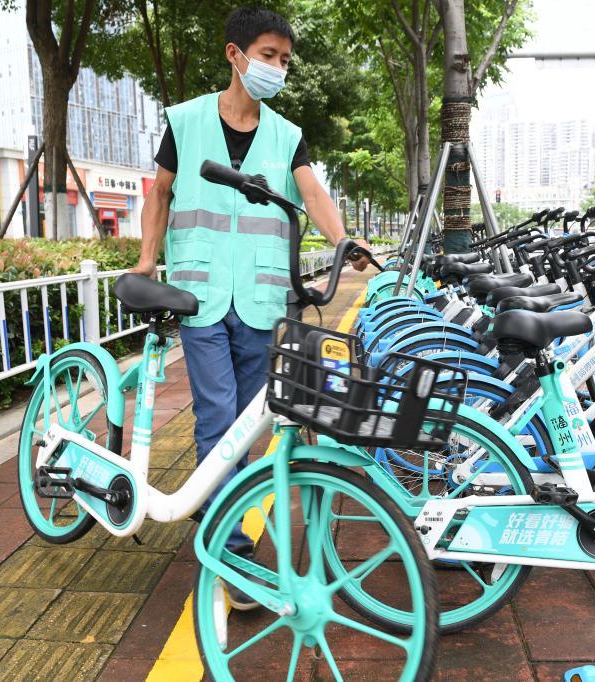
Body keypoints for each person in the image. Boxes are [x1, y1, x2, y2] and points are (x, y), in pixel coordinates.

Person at [131, 6, 368, 610]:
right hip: (202, 295)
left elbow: (312, 191)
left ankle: (218, 510)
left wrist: (345, 241)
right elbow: (161, 193)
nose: (278, 68)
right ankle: (231, 552)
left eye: (285, 60)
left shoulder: (287, 135)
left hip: (263, 300)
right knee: (217, 417)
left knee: (248, 425)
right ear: (235, 55)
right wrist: (146, 260)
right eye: (268, 56)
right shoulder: (185, 121)